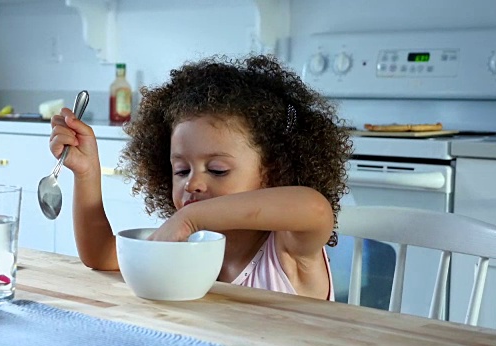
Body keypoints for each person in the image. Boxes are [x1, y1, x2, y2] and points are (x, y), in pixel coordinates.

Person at [49, 54, 352, 301]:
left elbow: (315, 208)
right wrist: (87, 172)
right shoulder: (186, 246)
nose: (192, 183)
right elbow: (102, 255)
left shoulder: (288, 250)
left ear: (271, 171)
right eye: (182, 170)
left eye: (217, 170)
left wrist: (190, 218)